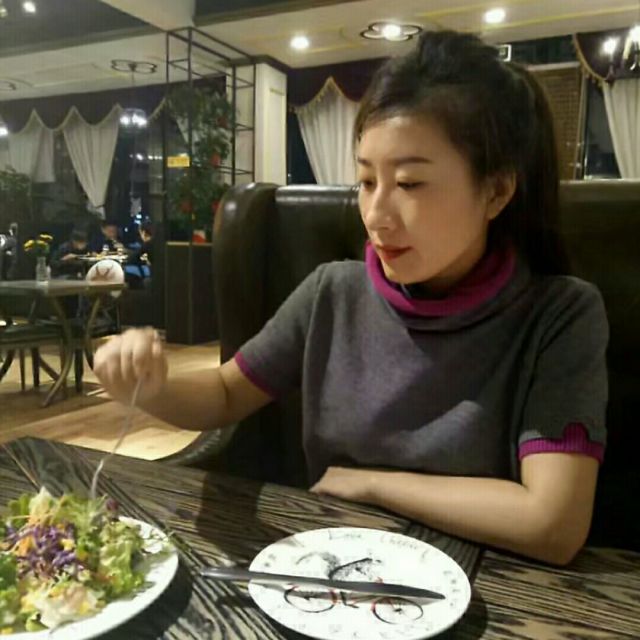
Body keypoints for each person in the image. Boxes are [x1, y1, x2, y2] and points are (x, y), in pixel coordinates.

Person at [93, 31, 608, 566]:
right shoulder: (332, 293)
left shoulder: (559, 314)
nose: (377, 216)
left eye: (409, 184)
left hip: (487, 584)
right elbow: (225, 394)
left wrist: (371, 483)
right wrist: (152, 387)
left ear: (496, 191)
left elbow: (553, 522)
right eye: (366, 181)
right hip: (330, 572)